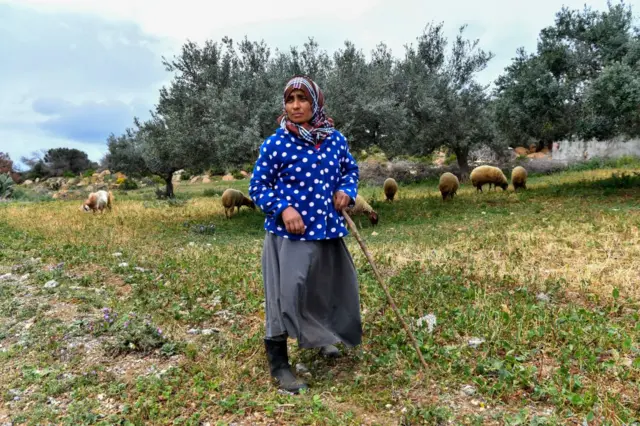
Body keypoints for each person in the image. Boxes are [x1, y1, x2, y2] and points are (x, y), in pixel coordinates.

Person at [248, 75, 362, 394]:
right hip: (288, 236)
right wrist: (283, 208)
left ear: (315, 103)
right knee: (284, 295)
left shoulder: (335, 140)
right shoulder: (276, 143)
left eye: (303, 99)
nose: (296, 106)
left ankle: (323, 338)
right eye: (290, 100)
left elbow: (349, 170)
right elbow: (257, 187)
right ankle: (280, 365)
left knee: (324, 289)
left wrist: (345, 190)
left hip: (326, 229)